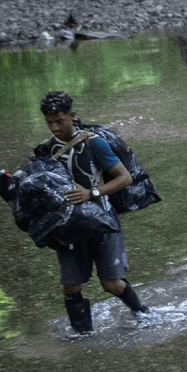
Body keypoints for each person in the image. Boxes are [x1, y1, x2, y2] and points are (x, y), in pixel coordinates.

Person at [32, 91, 151, 333]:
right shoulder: (48, 149)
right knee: (71, 285)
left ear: (72, 116)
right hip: (69, 226)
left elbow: (125, 178)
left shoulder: (93, 142)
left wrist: (91, 193)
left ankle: (142, 313)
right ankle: (82, 335)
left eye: (60, 121)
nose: (55, 127)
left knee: (110, 283)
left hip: (103, 220)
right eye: (49, 122)